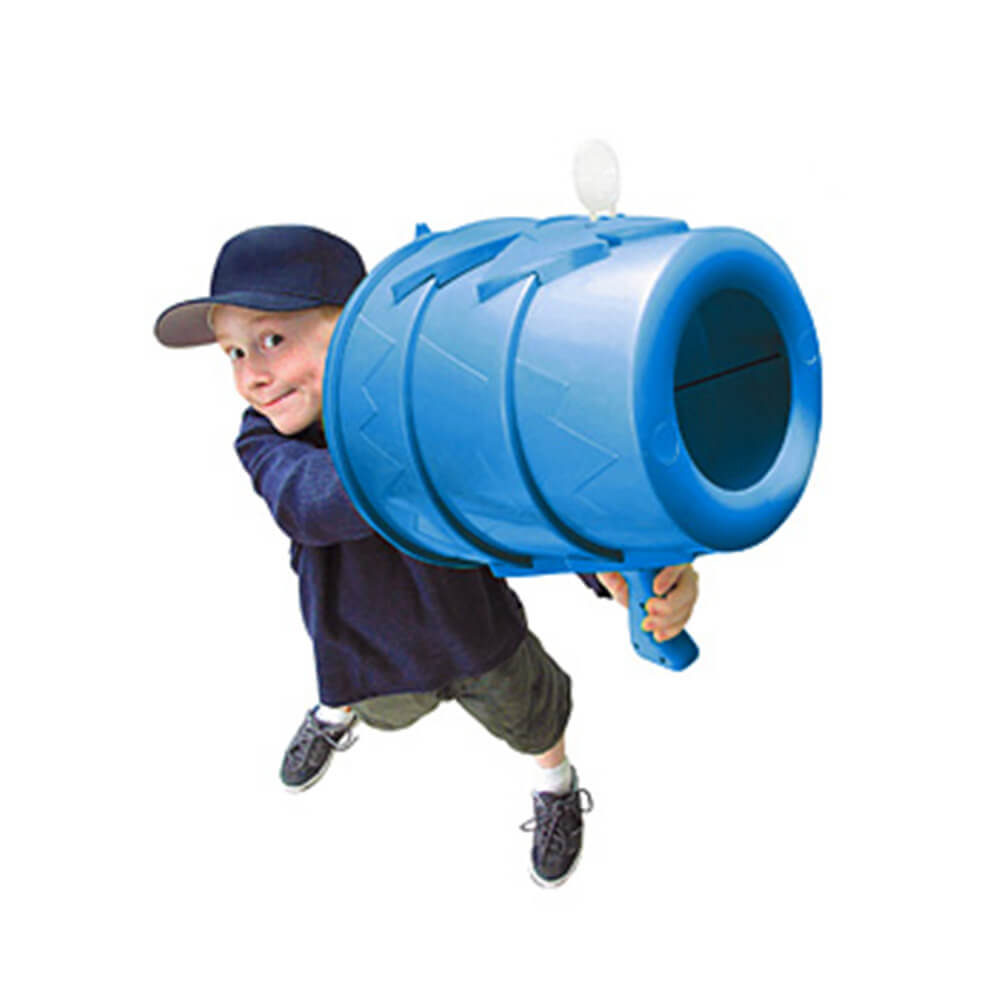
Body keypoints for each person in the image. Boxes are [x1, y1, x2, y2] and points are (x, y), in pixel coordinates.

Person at [154, 224, 699, 888]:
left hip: (476, 632)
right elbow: (308, 503)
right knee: (366, 705)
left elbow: (520, 497)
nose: (253, 376)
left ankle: (556, 786)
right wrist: (441, 434)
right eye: (233, 353)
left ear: (360, 326)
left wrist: (613, 565)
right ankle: (333, 714)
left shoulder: (435, 396)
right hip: (362, 647)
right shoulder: (265, 439)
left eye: (273, 340)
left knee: (535, 720)